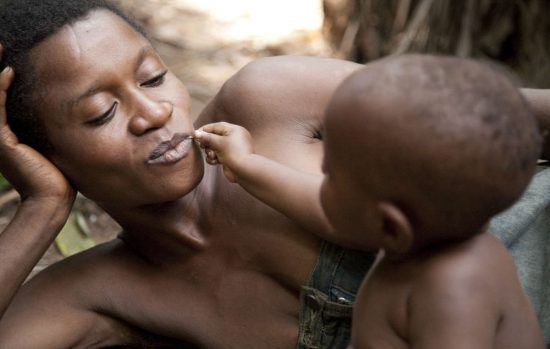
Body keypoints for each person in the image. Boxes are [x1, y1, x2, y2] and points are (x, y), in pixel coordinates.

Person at [0, 1, 548, 348]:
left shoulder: (267, 101)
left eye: (153, 77)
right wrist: (42, 203)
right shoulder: (98, 293)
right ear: (42, 152)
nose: (155, 113)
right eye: (101, 113)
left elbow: (513, 114)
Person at [194, 54, 545, 348]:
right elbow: (311, 200)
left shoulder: (453, 289)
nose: (317, 185)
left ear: (390, 225)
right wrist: (245, 164)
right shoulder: (415, 239)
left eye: (330, 179)